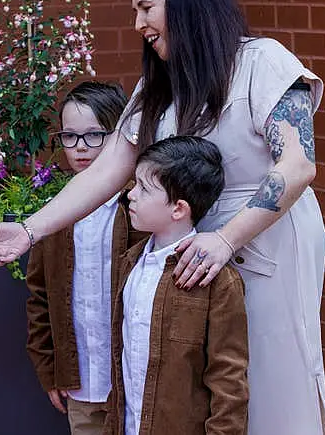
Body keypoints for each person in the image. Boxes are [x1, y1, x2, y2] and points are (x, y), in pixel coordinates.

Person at [0, 0, 325, 434]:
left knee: (267, 380)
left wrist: (226, 239)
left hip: (266, 242)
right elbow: (104, 174)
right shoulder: (158, 88)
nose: (138, 23)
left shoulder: (262, 62)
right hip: (189, 248)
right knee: (194, 390)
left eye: (146, 7)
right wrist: (29, 229)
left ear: (186, 1)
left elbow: (297, 165)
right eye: (134, 12)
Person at [105, 135, 248, 435]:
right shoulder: (130, 263)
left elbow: (228, 378)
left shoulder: (217, 281)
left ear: (178, 208)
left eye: (144, 188)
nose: (131, 195)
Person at [26, 81, 132, 435]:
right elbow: (39, 297)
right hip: (82, 382)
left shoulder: (139, 211)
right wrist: (50, 369)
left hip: (132, 383)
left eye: (94, 136)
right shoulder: (55, 216)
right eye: (69, 136)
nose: (80, 148)